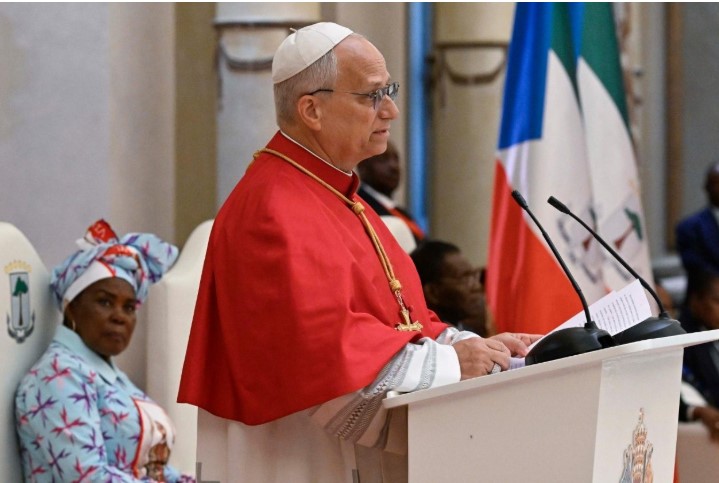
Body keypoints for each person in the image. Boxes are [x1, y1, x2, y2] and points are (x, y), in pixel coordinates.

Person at [177, 22, 540, 482]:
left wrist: (474, 347)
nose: (391, 110)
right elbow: (321, 357)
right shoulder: (272, 209)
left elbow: (402, 321)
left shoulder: (340, 194)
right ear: (311, 109)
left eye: (389, 91)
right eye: (372, 95)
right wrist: (453, 363)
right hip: (298, 458)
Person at [15, 219, 195, 482]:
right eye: (105, 302)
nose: (119, 317)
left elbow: (148, 468)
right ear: (71, 308)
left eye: (129, 307)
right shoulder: (57, 376)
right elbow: (89, 478)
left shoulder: (110, 376)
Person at [410, 239, 491, 337]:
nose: (477, 286)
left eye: (473, 275)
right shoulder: (423, 340)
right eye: (464, 277)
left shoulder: (471, 330)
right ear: (433, 292)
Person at [357, 140, 425, 242]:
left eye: (396, 159)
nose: (394, 167)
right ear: (363, 167)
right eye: (383, 159)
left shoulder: (398, 211)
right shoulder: (360, 208)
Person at [676, 162, 719, 276]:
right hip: (708, 285)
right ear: (707, 187)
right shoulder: (689, 227)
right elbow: (695, 265)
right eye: (717, 183)